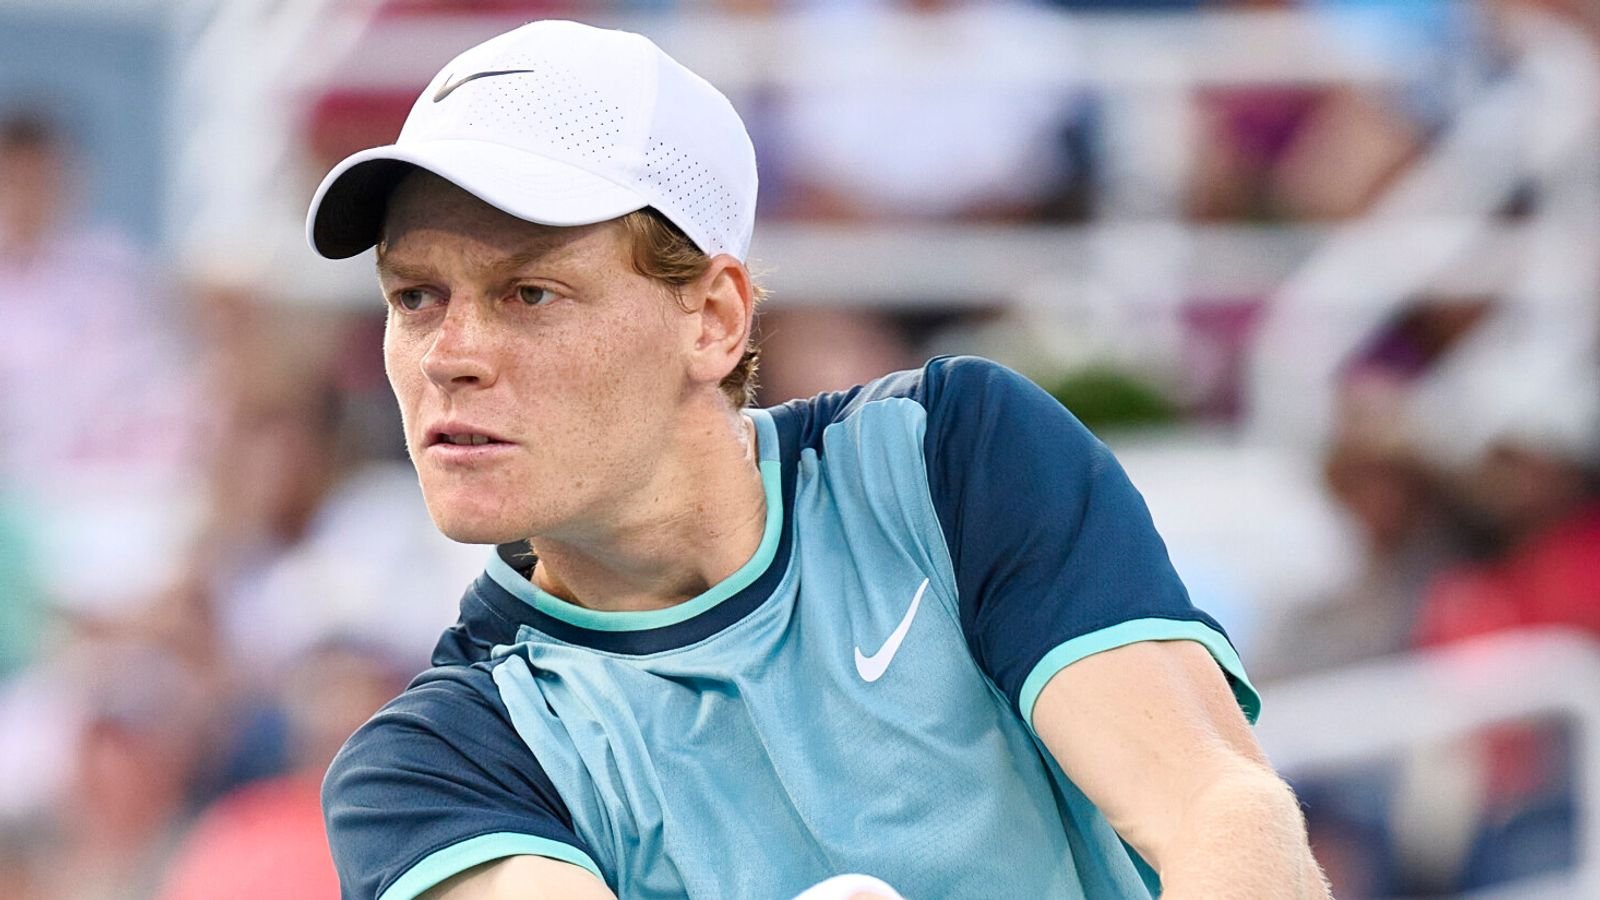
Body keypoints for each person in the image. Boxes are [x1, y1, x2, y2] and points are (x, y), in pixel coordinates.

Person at [304, 20, 1328, 900]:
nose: (448, 358)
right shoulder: (431, 769)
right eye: (415, 296)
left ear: (712, 320)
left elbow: (1218, 811)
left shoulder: (952, 455)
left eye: (529, 293)